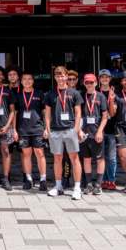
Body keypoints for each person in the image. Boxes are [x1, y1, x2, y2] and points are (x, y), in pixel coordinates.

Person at [44, 65, 84, 200]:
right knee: (57, 159)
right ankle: (58, 186)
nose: (60, 78)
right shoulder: (50, 94)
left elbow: (78, 113)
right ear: (55, 77)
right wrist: (48, 129)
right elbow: (47, 114)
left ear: (66, 77)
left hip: (70, 130)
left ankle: (77, 188)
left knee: (74, 158)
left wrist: (76, 129)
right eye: (57, 75)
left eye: (62, 75)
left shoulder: (74, 93)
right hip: (55, 131)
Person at [15, 71, 46, 191]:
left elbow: (44, 112)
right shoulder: (18, 95)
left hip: (38, 129)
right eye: (24, 79)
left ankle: (43, 179)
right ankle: (28, 179)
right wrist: (14, 130)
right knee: (26, 155)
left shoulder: (39, 94)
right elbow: (15, 113)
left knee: (40, 153)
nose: (27, 81)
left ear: (33, 81)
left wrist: (46, 128)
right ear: (21, 81)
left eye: (29, 79)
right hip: (23, 130)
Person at [80, 73, 108, 195]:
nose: (89, 85)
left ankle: (98, 184)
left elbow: (105, 116)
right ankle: (89, 183)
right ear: (84, 84)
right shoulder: (81, 96)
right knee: (86, 159)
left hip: (97, 133)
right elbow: (78, 115)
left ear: (96, 83)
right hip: (84, 134)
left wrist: (100, 131)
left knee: (100, 159)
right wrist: (79, 131)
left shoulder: (101, 97)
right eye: (87, 82)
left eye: (92, 82)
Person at [98, 69, 119, 191]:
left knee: (111, 157)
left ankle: (111, 180)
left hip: (110, 129)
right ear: (99, 79)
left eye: (107, 77)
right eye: (102, 77)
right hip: (98, 129)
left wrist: (111, 99)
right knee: (101, 157)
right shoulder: (95, 93)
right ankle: (103, 180)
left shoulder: (114, 94)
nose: (104, 79)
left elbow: (112, 113)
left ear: (110, 79)